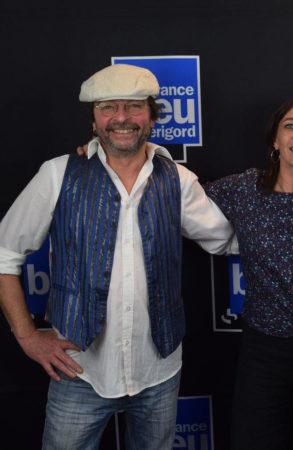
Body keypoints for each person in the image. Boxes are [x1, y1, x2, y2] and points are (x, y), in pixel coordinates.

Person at [0, 64, 235, 449]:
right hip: (80, 371)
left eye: (134, 106)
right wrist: (26, 336)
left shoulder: (178, 179)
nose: (121, 118)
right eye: (108, 107)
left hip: (157, 370)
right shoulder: (58, 174)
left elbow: (226, 240)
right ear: (93, 119)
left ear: (152, 116)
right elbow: (4, 254)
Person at [204, 94, 293, 450]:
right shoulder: (243, 190)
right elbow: (172, 197)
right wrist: (113, 156)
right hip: (261, 354)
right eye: (291, 126)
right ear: (275, 139)